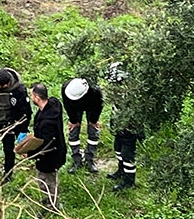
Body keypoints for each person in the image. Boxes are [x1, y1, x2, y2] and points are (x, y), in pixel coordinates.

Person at [26, 83, 66, 213]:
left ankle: (53, 206)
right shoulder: (54, 104)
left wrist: (29, 153)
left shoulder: (47, 123)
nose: (31, 97)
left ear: (37, 97)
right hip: (56, 150)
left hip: (49, 156)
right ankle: (48, 199)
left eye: (32, 95)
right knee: (43, 178)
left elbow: (45, 144)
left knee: (49, 181)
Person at [105, 62, 144, 191]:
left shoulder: (131, 93)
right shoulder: (118, 90)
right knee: (118, 149)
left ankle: (129, 181)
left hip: (129, 128)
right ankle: (121, 171)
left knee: (128, 155)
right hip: (118, 126)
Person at [61, 77, 103, 174]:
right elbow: (67, 105)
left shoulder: (95, 91)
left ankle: (90, 159)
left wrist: (93, 120)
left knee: (93, 131)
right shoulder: (66, 88)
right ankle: (76, 159)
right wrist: (73, 120)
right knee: (73, 131)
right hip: (74, 109)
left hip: (92, 106)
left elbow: (99, 105)